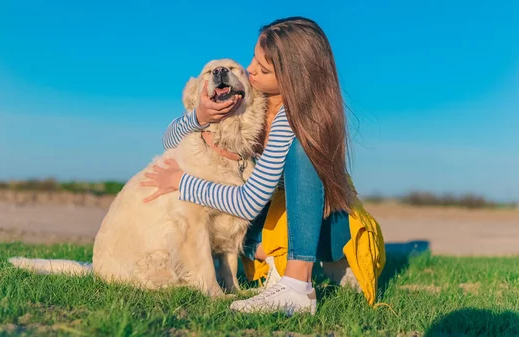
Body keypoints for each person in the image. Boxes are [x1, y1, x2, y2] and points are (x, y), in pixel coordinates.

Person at [140, 16, 357, 315]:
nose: (251, 70)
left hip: (321, 228)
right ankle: (269, 258)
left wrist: (181, 182)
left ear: (291, 78)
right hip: (271, 216)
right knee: (235, 226)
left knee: (301, 154)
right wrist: (200, 116)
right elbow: (168, 139)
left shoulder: (293, 119)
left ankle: (297, 285)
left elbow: (247, 203)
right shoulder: (255, 99)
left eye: (263, 69)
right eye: (254, 59)